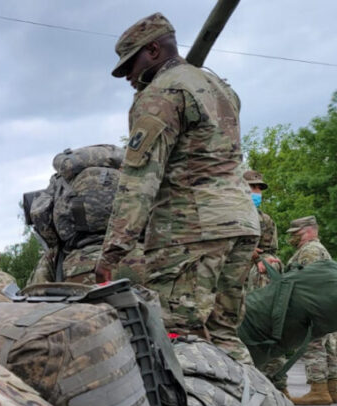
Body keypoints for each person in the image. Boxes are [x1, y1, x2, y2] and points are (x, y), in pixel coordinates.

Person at [95, 13, 260, 362]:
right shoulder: (219, 87)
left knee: (178, 339)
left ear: (153, 49)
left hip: (190, 231)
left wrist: (112, 251)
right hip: (241, 222)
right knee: (223, 337)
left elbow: (140, 179)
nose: (127, 77)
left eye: (130, 65)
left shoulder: (161, 94)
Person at [276, 216, 337, 405]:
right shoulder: (318, 249)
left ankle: (318, 390)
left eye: (298, 233)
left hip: (312, 305)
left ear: (310, 230)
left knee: (313, 346)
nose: (294, 237)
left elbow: (307, 281)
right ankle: (331, 389)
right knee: (326, 347)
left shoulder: (311, 250)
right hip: (323, 305)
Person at [244, 170, 282, 292]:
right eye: (252, 187)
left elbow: (268, 250)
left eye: (259, 188)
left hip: (251, 271)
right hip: (225, 268)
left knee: (270, 265)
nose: (257, 192)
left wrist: (264, 260)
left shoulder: (265, 219)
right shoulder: (225, 213)